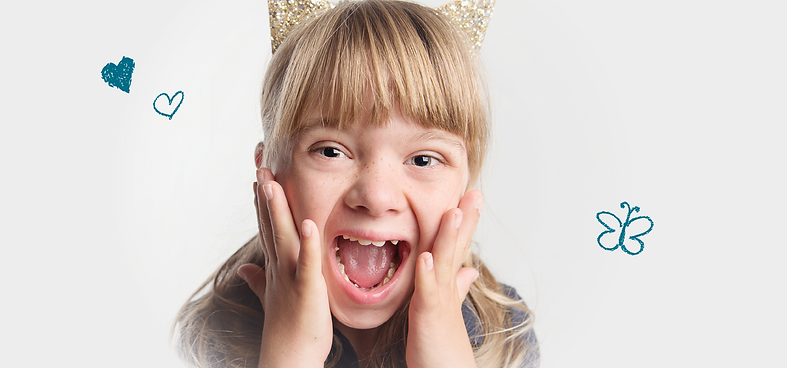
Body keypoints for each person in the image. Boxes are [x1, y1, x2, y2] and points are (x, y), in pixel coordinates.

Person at [175, 0, 538, 367]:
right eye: (330, 152)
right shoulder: (211, 338)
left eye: (423, 160)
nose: (376, 197)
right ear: (267, 170)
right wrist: (290, 354)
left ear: (465, 185)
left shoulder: (507, 337)